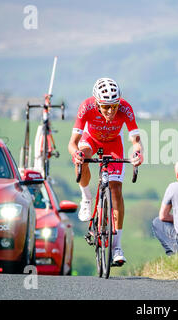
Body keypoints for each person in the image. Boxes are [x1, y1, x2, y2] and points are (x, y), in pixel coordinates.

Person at [68, 77, 143, 266]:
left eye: (114, 106)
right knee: (83, 157)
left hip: (114, 144)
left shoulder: (125, 108)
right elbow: (73, 143)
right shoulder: (86, 107)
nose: (111, 111)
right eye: (105, 106)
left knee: (116, 190)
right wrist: (76, 154)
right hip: (91, 140)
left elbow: (136, 141)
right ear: (96, 103)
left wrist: (138, 154)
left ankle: (117, 246)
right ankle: (86, 197)